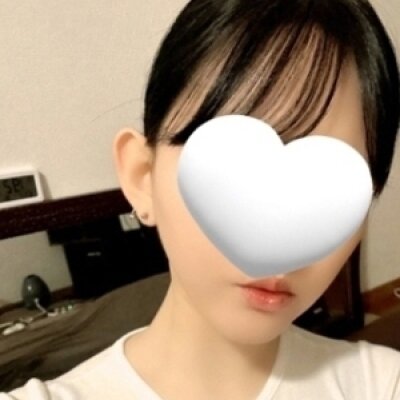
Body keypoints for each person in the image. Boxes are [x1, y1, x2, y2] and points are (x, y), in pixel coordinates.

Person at [3, 0, 399, 399]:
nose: (276, 249)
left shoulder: (382, 382)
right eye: (234, 170)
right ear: (142, 176)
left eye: (327, 190)